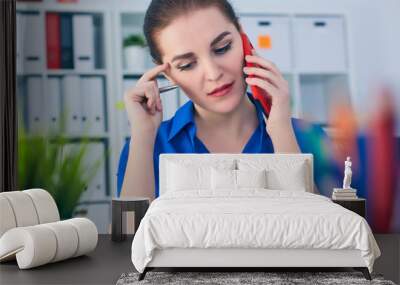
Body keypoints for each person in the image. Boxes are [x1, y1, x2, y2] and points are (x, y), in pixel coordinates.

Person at [117, 0, 331, 200]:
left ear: (242, 37)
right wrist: (143, 138)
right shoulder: (147, 146)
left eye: (222, 48)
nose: (213, 74)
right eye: (187, 65)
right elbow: (128, 236)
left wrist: (281, 130)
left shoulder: (308, 136)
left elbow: (327, 233)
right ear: (169, 74)